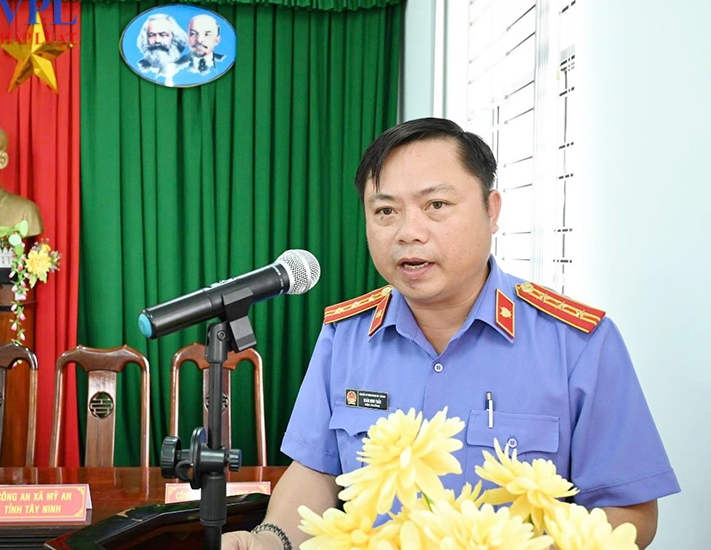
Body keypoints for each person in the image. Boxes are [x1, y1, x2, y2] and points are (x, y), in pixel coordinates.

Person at [222, 117, 680, 549]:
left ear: (491, 210)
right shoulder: (346, 335)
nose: (409, 232)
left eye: (436, 206)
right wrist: (269, 540)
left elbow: (630, 510)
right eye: (385, 211)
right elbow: (316, 473)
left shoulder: (577, 343)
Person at [136, 13, 188, 87]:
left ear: (174, 37)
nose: (157, 40)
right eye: (152, 35)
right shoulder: (140, 69)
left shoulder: (188, 66)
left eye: (163, 34)